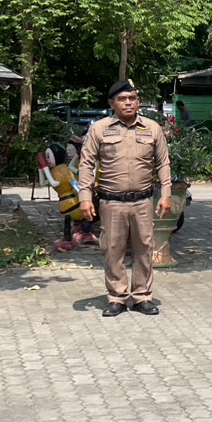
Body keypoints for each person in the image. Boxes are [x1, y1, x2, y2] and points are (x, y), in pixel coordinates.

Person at [77, 79, 172, 316]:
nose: (128, 103)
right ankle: (117, 298)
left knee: (144, 250)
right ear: (112, 103)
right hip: (111, 202)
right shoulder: (99, 129)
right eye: (122, 99)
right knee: (113, 250)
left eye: (132, 98)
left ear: (138, 102)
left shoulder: (152, 128)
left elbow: (163, 163)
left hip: (143, 201)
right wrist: (85, 197)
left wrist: (166, 194)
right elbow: (87, 164)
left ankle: (142, 297)